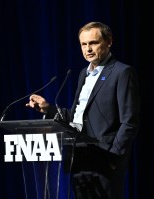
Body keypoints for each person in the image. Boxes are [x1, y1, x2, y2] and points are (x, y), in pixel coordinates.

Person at [26, 21, 140, 199]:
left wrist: (113, 158)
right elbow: (77, 117)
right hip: (79, 157)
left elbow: (130, 121)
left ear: (109, 42)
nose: (88, 49)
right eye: (84, 44)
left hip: (105, 160)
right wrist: (48, 109)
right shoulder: (83, 74)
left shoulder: (122, 72)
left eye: (93, 43)